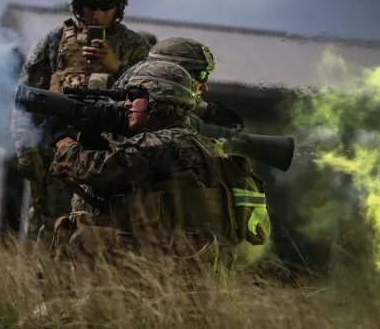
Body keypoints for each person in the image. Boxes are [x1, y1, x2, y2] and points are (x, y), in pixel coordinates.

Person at [45, 60, 270, 275]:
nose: (126, 104)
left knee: (85, 238)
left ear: (158, 99)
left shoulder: (162, 143)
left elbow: (97, 170)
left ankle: (93, 309)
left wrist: (62, 141)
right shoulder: (196, 140)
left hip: (174, 266)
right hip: (197, 262)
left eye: (135, 96)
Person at [10, 0, 151, 241]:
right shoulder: (54, 42)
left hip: (108, 161)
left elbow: (149, 100)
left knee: (101, 235)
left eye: (105, 5)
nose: (96, 13)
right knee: (47, 232)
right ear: (77, 5)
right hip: (56, 157)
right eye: (88, 5)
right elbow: (25, 97)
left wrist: (118, 67)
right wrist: (26, 148)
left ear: (118, 6)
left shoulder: (135, 46)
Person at [112, 37, 244, 130]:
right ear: (173, 74)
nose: (204, 87)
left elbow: (234, 124)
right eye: (201, 76)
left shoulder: (160, 104)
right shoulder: (127, 111)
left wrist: (205, 111)